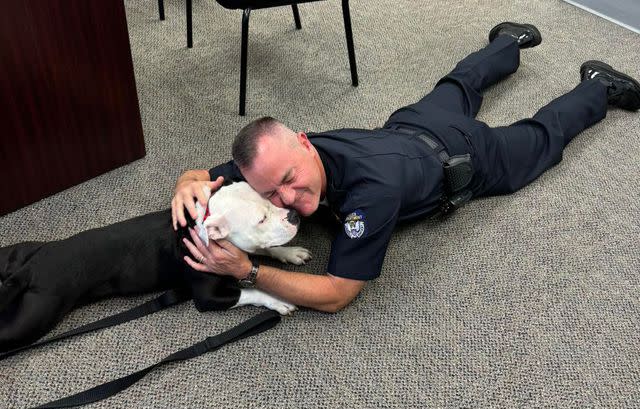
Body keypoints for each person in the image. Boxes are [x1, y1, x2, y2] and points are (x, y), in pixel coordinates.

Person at [171, 22, 640, 313]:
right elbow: (219, 174)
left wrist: (248, 272)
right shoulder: (280, 158)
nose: (287, 200)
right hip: (409, 125)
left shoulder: (371, 196)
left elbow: (337, 294)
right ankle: (509, 40)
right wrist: (187, 182)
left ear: (304, 144)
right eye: (271, 192)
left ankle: (599, 85)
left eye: (290, 181)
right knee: (459, 85)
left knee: (540, 140)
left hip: (465, 156)